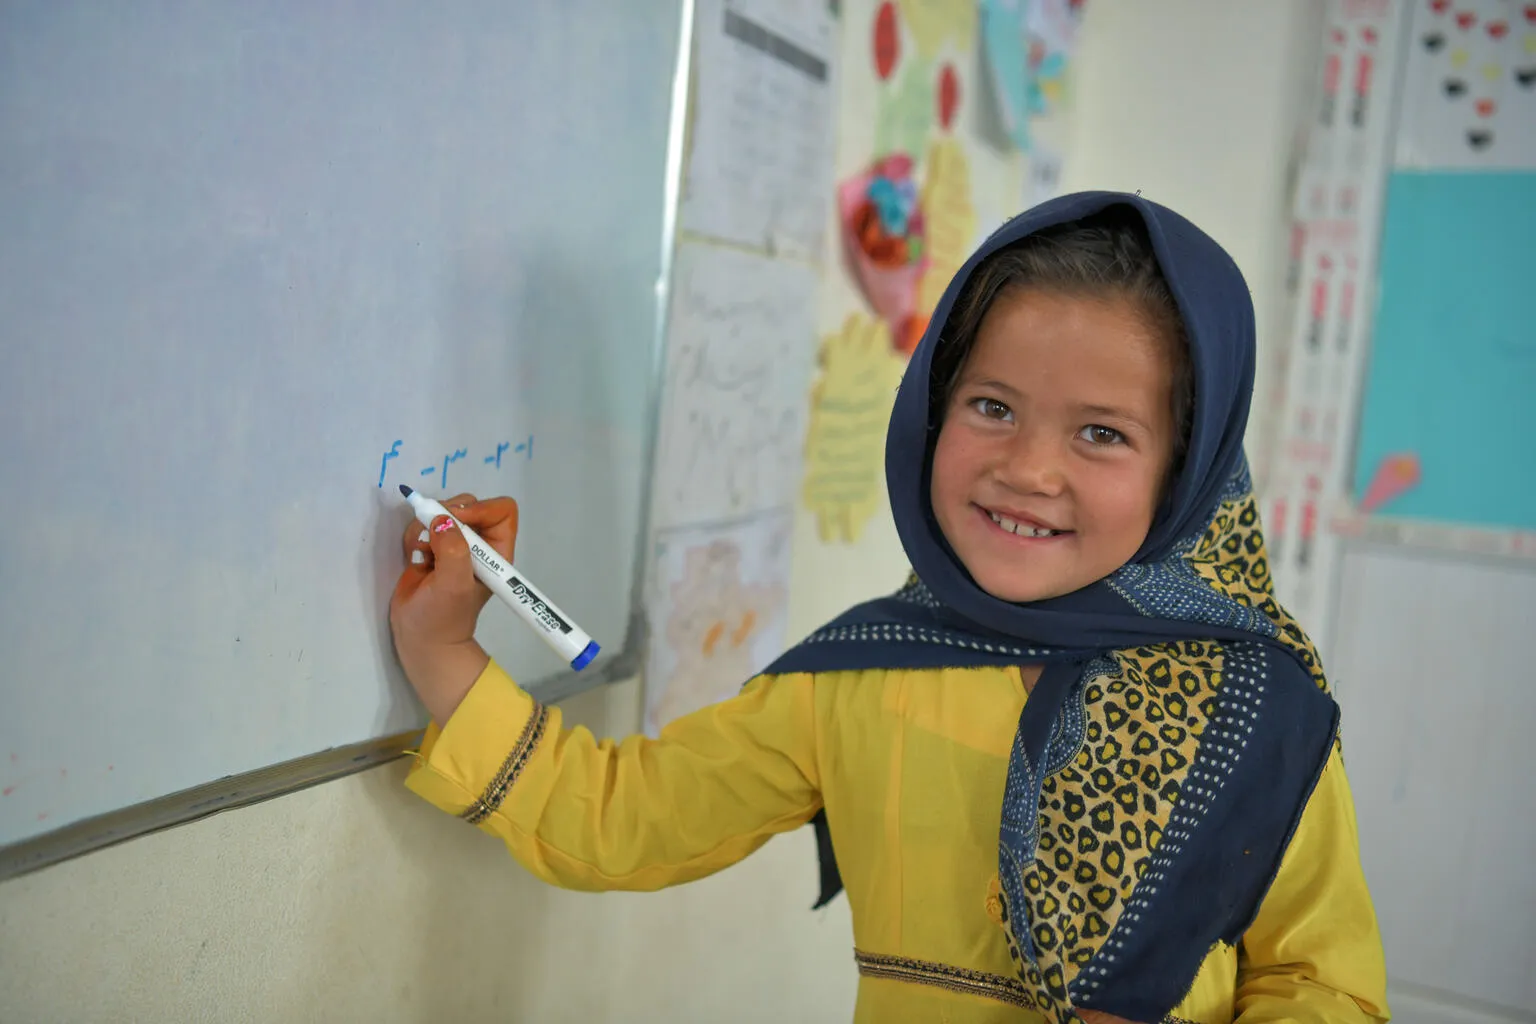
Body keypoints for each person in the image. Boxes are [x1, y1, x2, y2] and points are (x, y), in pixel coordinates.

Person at [388, 192, 1389, 1023]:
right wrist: (443, 648)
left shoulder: (1258, 705)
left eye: (1102, 433)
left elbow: (1324, 979)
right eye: (991, 406)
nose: (1028, 469)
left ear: (1188, 469)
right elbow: (620, 820)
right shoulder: (867, 671)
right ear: (934, 408)